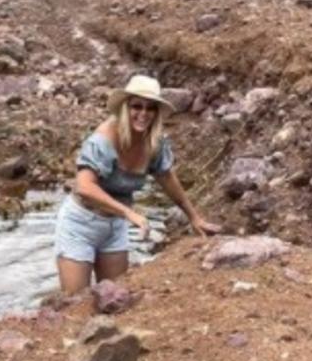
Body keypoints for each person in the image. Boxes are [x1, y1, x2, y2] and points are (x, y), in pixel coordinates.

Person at [54, 75, 220, 294]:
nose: (143, 114)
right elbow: (84, 187)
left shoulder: (155, 142)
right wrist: (129, 213)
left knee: (114, 297)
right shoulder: (104, 139)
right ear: (125, 107)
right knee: (75, 302)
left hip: (114, 227)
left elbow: (167, 178)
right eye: (137, 106)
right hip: (80, 224)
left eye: (150, 108)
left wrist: (193, 217)